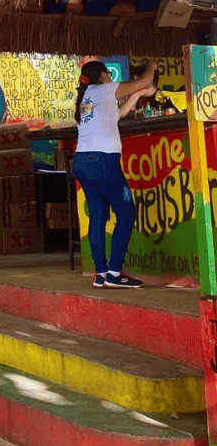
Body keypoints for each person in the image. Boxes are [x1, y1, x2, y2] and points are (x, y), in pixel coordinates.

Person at [73, 58, 158, 289]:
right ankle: (114, 271)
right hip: (103, 161)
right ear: (101, 75)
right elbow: (145, 81)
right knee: (127, 212)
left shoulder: (88, 96)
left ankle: (101, 273)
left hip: (82, 162)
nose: (111, 76)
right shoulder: (105, 88)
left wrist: (137, 95)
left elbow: (117, 115)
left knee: (98, 216)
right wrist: (151, 67)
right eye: (107, 73)